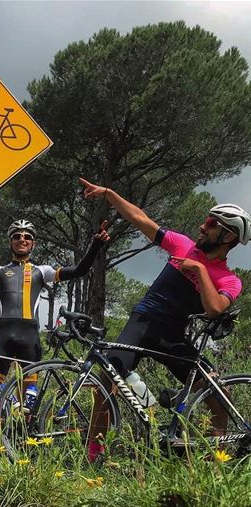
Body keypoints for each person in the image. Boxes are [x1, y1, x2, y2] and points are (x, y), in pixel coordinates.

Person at [79, 177, 249, 462]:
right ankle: (93, 455)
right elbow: (140, 219)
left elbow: (214, 309)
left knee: (221, 396)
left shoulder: (230, 280)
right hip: (142, 323)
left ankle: (210, 463)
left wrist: (199, 270)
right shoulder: (182, 245)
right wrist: (109, 193)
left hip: (172, 336)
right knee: (105, 381)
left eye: (210, 224)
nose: (202, 226)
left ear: (228, 236)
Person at [0, 218, 110, 387]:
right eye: (16, 236)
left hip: (29, 338)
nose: (21, 239)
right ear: (10, 242)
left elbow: (79, 270)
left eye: (27, 237)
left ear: (33, 244)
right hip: (3, 335)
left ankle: (23, 418)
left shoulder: (42, 271)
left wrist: (95, 245)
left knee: (28, 403)